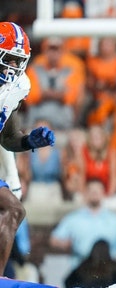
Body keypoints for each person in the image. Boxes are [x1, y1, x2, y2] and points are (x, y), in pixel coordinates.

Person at [0, 22, 56, 275]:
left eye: (17, 61)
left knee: (14, 209)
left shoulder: (17, 86)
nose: (13, 68)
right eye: (9, 59)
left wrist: (29, 141)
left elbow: (7, 137)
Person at [49, 179, 116, 272]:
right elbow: (54, 239)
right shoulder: (73, 218)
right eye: (91, 190)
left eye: (98, 190)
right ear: (85, 193)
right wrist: (63, 244)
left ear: (103, 193)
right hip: (80, 270)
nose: (95, 193)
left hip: (109, 271)